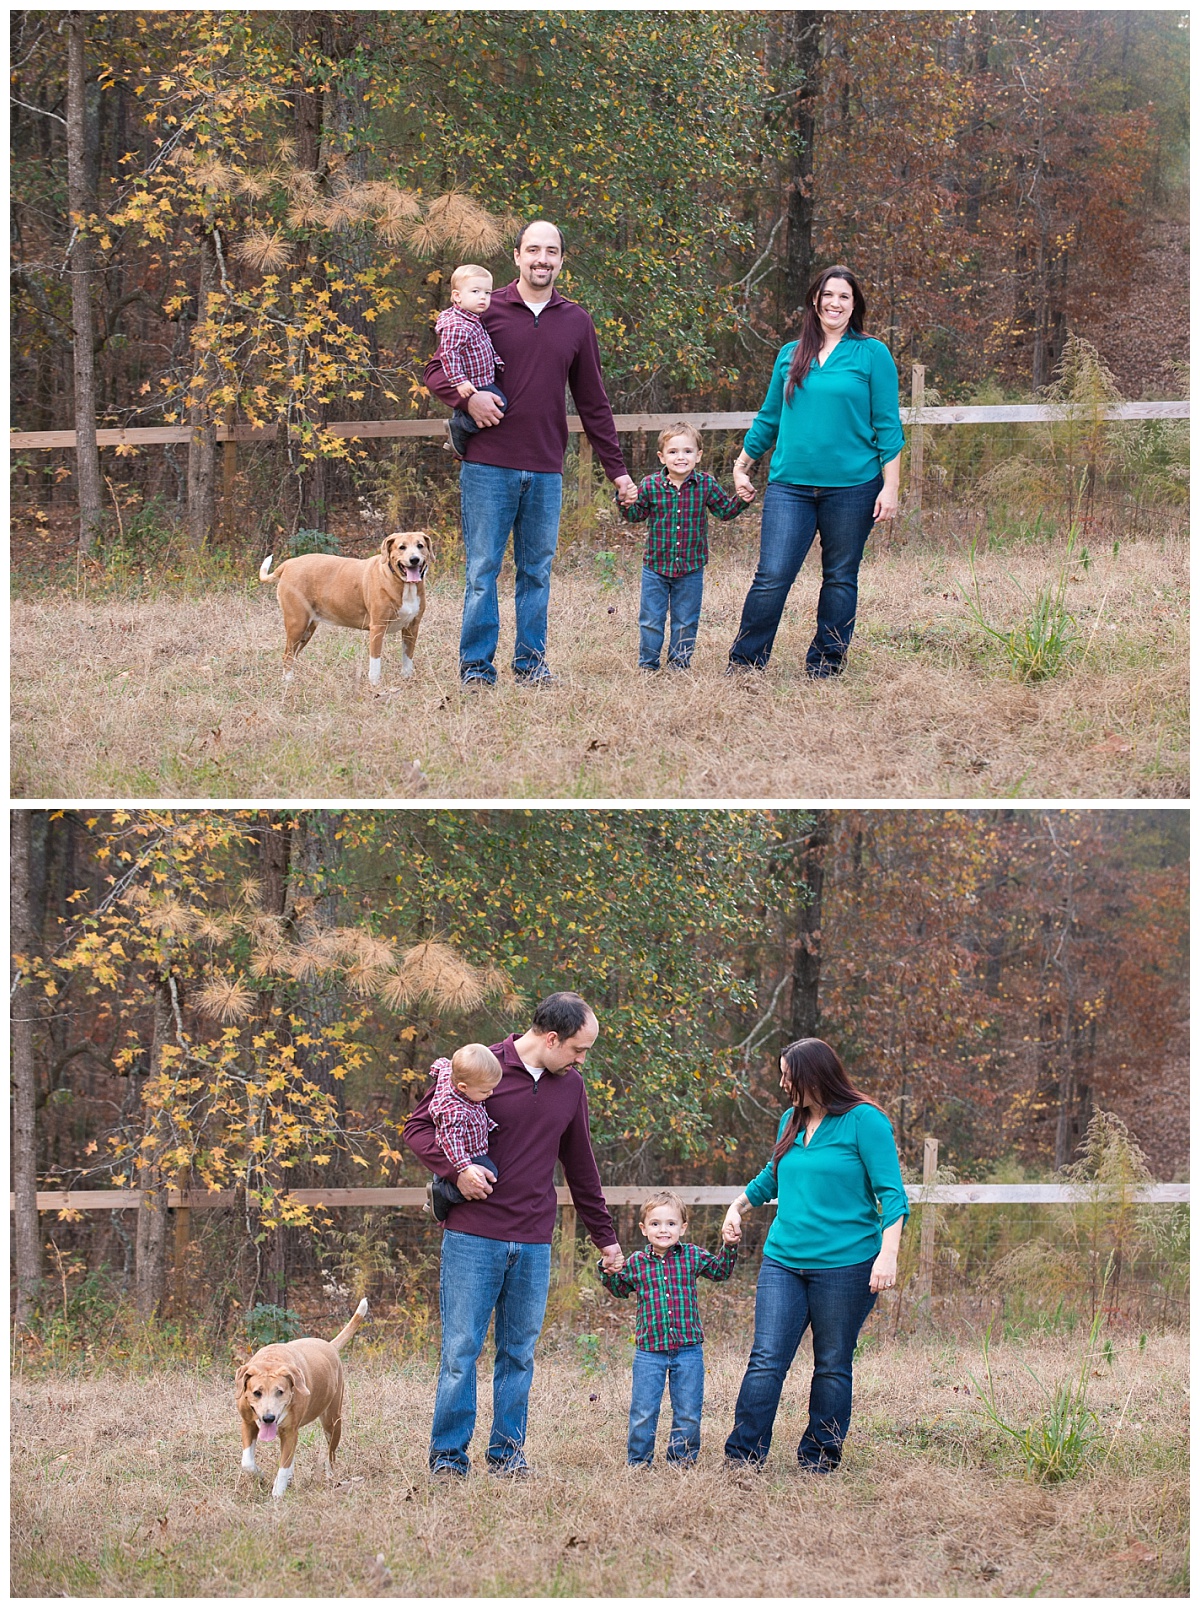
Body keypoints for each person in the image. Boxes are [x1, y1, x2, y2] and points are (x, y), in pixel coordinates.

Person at [403, 991, 624, 1477]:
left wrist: (605, 1238)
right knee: (461, 1352)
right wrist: (456, 1170)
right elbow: (417, 1128)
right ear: (551, 1038)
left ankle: (507, 1458)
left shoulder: (571, 1087)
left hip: (532, 1240)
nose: (581, 1059)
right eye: (578, 1049)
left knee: (518, 1355)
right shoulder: (481, 1067)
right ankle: (448, 1460)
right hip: (472, 1237)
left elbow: (581, 1166)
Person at [423, 221, 639, 687]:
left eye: (552, 251)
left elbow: (593, 402)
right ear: (517, 255)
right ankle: (477, 670)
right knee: (482, 571)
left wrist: (617, 473)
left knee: (536, 574)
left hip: (545, 468)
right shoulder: (484, 307)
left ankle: (531, 667)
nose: (542, 259)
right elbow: (436, 369)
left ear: (562, 260)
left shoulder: (576, 320)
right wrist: (467, 400)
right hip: (487, 465)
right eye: (533, 250)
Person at [722, 1038, 908, 1473]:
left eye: (790, 1074)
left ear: (816, 1075)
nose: (784, 1083)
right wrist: (737, 1207)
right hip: (783, 1260)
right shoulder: (791, 1119)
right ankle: (743, 1458)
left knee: (831, 1364)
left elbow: (892, 1196)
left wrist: (888, 1255)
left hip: (846, 1265)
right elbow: (772, 1177)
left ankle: (819, 1458)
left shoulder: (866, 1121)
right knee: (767, 1359)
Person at [727, 265, 905, 678]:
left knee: (840, 578)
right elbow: (770, 417)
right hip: (790, 486)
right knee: (772, 576)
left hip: (854, 487)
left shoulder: (872, 353)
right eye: (828, 294)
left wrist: (890, 487)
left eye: (844, 296)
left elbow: (888, 427)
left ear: (854, 304)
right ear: (814, 300)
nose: (835, 303)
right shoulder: (791, 354)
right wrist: (742, 465)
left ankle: (826, 664)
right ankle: (745, 664)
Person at [599, 1189, 739, 1466]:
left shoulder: (692, 1256)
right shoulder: (637, 1263)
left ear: (683, 1227)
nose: (663, 1230)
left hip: (688, 1350)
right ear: (643, 1229)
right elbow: (618, 1289)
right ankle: (639, 1462)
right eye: (655, 1224)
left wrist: (729, 1245)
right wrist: (607, 1269)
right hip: (649, 1351)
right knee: (643, 1410)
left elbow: (720, 1271)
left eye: (671, 1224)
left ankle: (682, 1461)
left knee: (687, 1410)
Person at [619, 423, 752, 672]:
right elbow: (635, 515)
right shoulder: (649, 485)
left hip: (691, 569)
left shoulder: (705, 485)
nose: (681, 457)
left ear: (698, 455)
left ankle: (679, 665)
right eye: (673, 452)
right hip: (656, 568)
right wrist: (626, 502)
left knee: (685, 621)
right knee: (650, 620)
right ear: (661, 456)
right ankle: (648, 665)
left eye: (688, 451)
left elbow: (724, 511)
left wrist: (741, 501)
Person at [434, 266, 508, 460]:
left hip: (481, 377)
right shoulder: (458, 324)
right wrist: (460, 381)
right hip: (474, 381)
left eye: (487, 292)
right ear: (457, 296)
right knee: (500, 405)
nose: (483, 297)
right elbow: (448, 354)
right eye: (475, 292)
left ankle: (457, 433)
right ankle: (459, 428)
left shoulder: (472, 319)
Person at [424, 1043, 503, 1222]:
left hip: (469, 1142)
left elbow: (441, 1064)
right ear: (463, 1086)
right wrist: (465, 1168)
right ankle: (443, 1193)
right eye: (484, 1090)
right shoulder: (455, 1110)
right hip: (468, 1153)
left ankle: (442, 1184)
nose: (490, 1093)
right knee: (489, 1176)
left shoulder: (448, 1073)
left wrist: (434, 1070)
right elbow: (451, 1141)